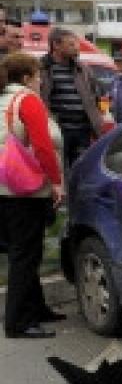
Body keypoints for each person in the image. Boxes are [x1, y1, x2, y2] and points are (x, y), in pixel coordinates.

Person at [0, 53, 65, 339]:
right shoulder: (27, 101)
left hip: (5, 187)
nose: (41, 80)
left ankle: (36, 307)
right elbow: (42, 146)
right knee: (25, 255)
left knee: (26, 250)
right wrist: (56, 181)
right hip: (26, 190)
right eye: (38, 75)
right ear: (27, 77)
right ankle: (18, 322)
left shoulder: (3, 100)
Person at [38, 28, 101, 169]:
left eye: (77, 44)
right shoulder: (42, 68)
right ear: (56, 45)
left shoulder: (82, 69)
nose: (77, 47)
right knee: (58, 168)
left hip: (82, 131)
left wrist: (98, 120)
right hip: (58, 131)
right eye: (71, 44)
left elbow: (96, 95)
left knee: (80, 168)